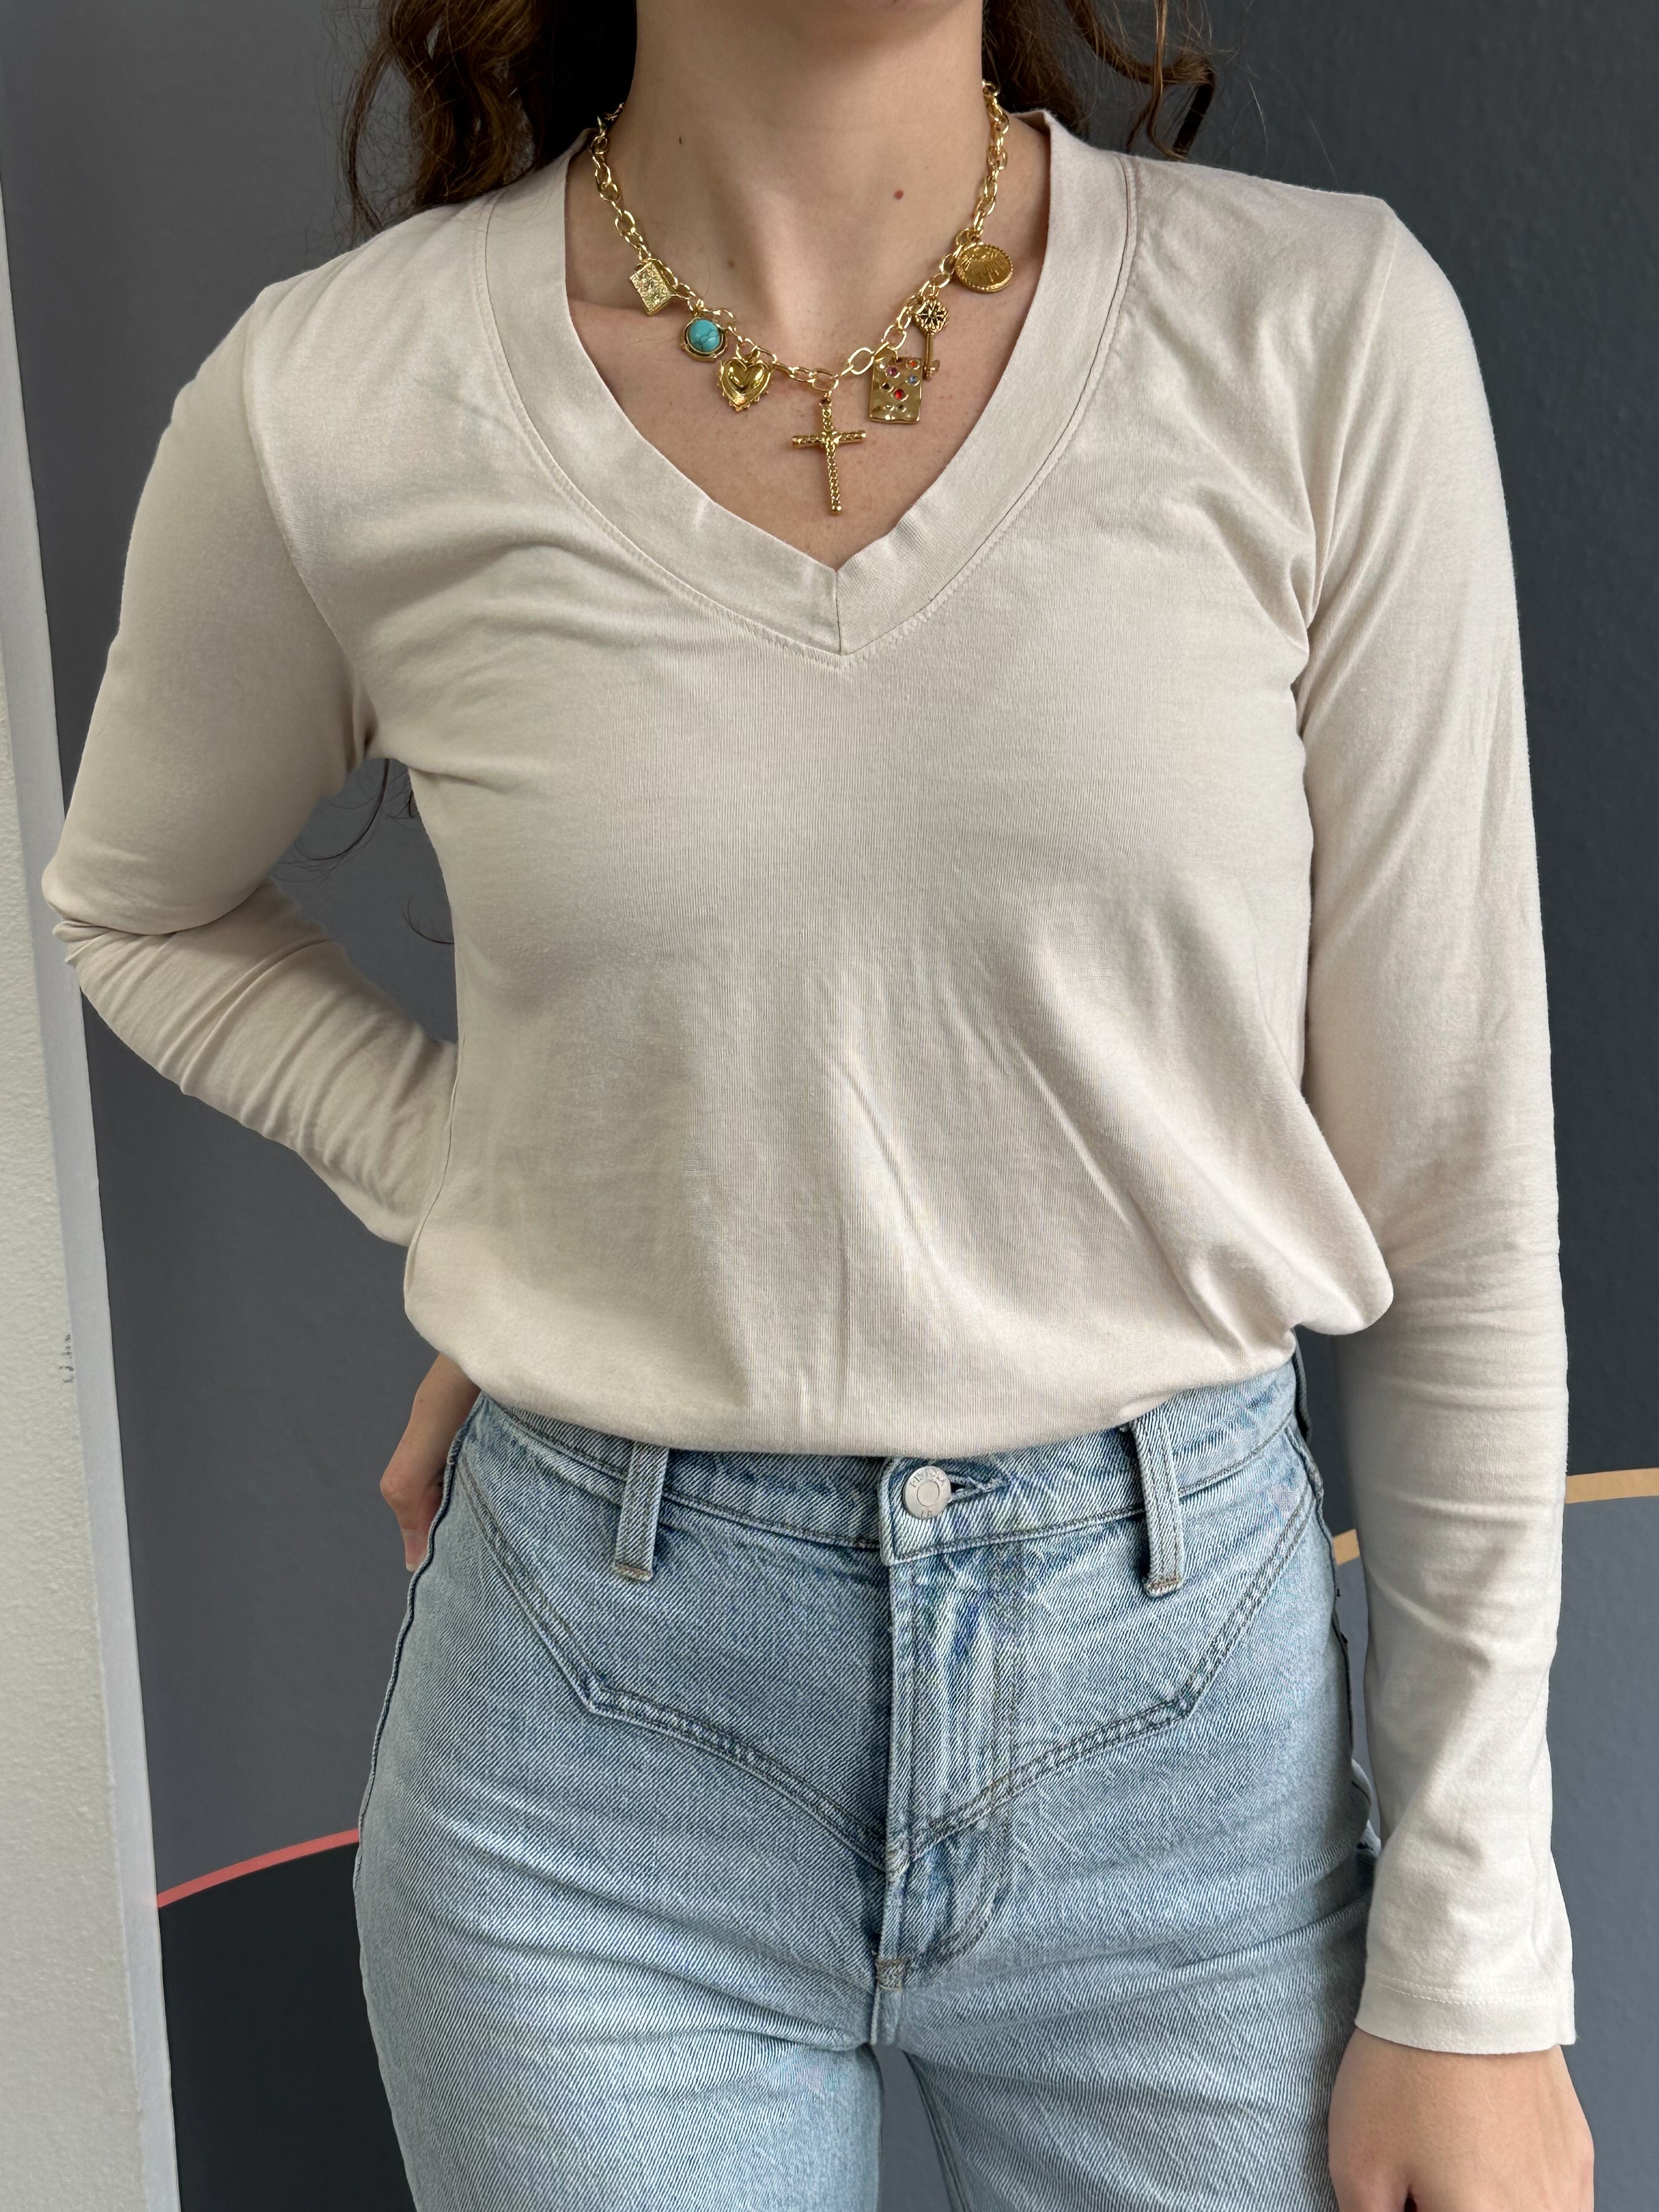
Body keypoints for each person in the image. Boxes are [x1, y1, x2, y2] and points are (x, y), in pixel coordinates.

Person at [40, 1, 1594, 2205]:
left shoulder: (1316, 331)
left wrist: (1473, 1963)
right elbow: (139, 905)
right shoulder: (340, 398)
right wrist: (526, 1198)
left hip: (1197, 1778)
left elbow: (1454, 1203)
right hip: (592, 1793)